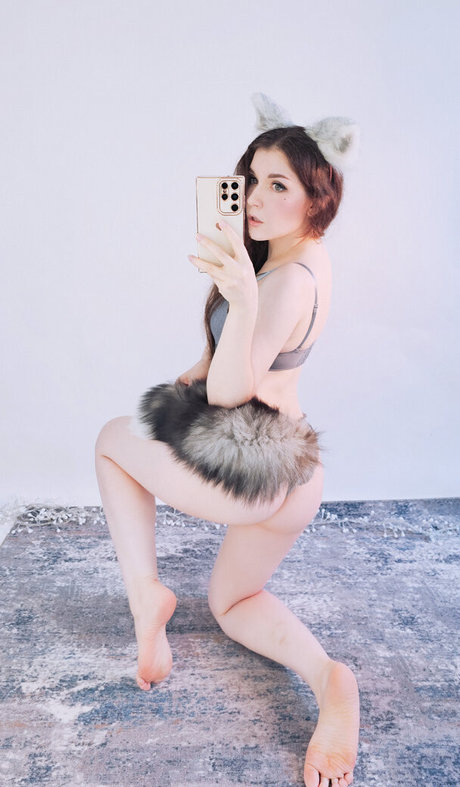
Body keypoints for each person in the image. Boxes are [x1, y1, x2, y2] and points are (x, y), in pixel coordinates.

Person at [95, 94, 360, 787]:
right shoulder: (303, 258)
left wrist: (241, 298)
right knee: (234, 603)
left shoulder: (282, 283)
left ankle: (145, 595)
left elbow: (230, 393)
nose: (257, 198)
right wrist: (199, 356)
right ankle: (327, 676)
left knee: (111, 441)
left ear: (317, 195)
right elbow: (228, 365)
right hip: (297, 473)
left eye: (280, 185)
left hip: (253, 468)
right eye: (251, 180)